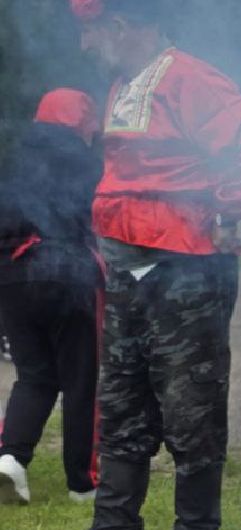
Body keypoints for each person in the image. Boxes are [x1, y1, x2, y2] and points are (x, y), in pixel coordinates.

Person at [40, 0, 241, 530]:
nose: (84, 46)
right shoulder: (125, 85)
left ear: (120, 26)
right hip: (129, 267)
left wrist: (221, 207)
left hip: (189, 268)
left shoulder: (192, 80)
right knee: (121, 393)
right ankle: (115, 526)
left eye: (89, 32)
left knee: (189, 397)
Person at [0, 90, 103, 506]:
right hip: (66, 272)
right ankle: (83, 484)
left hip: (9, 274)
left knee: (35, 374)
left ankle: (10, 459)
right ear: (82, 124)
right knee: (83, 380)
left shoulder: (14, 158)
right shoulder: (88, 163)